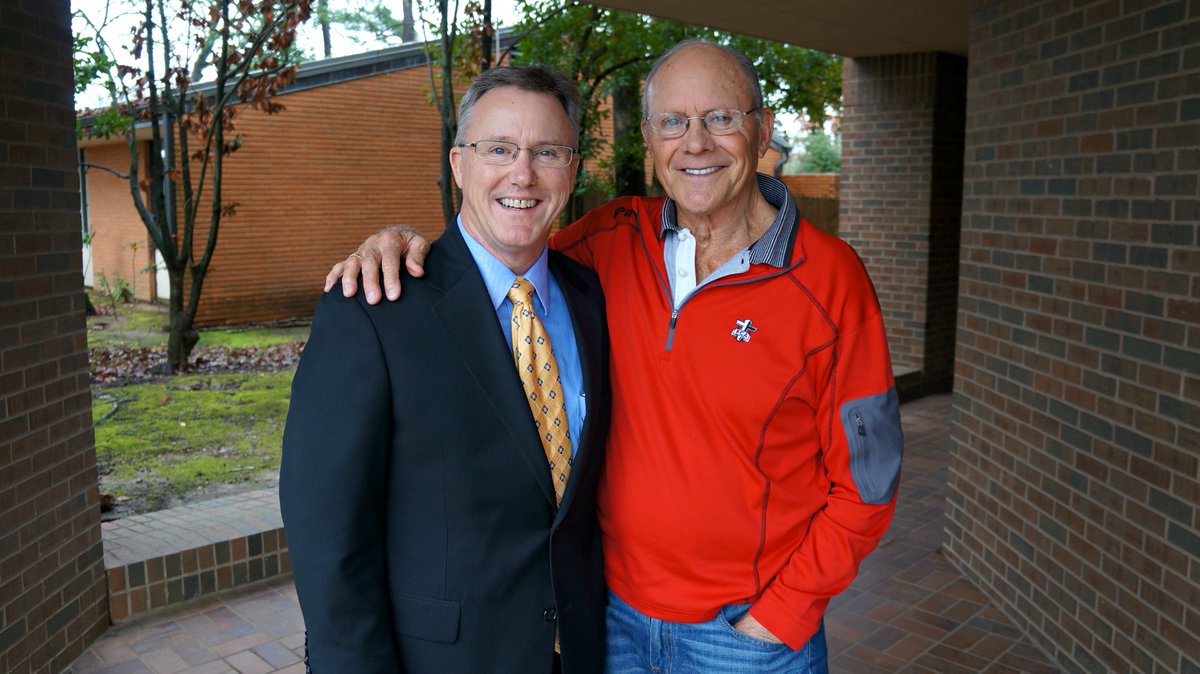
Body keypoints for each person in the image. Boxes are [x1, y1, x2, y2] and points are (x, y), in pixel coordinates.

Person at [327, 40, 903, 674]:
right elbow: (498, 249)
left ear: (761, 130)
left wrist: (780, 616)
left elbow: (869, 481)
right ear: (651, 141)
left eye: (720, 117)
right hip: (609, 622)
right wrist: (401, 249)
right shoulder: (608, 243)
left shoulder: (831, 282)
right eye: (672, 122)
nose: (696, 142)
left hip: (746, 637)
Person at [280, 65, 610, 674]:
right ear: (459, 165)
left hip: (582, 653)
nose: (523, 173)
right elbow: (328, 533)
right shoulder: (374, 307)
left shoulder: (592, 298)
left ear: (572, 169)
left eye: (547, 151)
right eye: (500, 149)